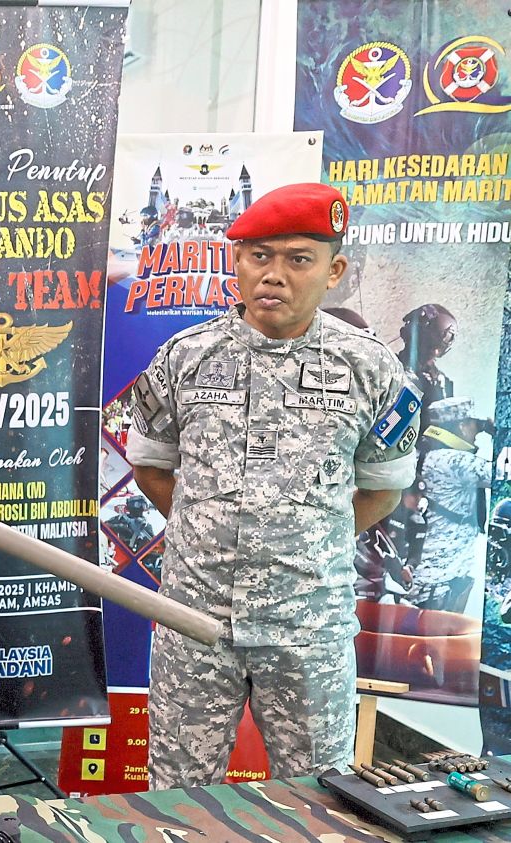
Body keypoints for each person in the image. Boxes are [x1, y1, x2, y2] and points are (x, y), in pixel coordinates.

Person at [125, 182, 421, 789]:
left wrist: (303, 540)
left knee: (320, 794)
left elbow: (382, 490)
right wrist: (209, 535)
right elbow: (152, 468)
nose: (274, 276)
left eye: (298, 259)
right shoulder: (185, 357)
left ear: (333, 270)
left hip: (308, 625)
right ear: (236, 262)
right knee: (177, 795)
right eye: (259, 256)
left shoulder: (371, 369)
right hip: (194, 620)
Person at [407, 397, 492, 613]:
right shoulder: (452, 461)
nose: (477, 431)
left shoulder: (433, 455)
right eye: (475, 424)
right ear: (462, 426)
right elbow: (501, 474)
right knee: (429, 643)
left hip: (445, 571)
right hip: (439, 578)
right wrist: (501, 434)